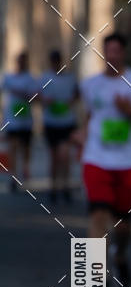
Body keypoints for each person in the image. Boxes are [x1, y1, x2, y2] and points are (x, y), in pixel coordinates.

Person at [77, 32, 131, 287]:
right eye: (108, 52)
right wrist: (81, 134)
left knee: (123, 223)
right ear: (103, 54)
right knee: (98, 213)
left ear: (123, 53)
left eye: (117, 51)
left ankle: (120, 254)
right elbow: (90, 114)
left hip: (129, 161)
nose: (112, 56)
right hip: (96, 157)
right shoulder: (90, 85)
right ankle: (97, 274)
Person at [39, 49, 78, 204]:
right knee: (54, 158)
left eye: (58, 61)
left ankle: (65, 186)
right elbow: (37, 95)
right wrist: (45, 100)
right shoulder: (45, 78)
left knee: (65, 155)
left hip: (67, 123)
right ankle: (54, 187)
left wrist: (71, 101)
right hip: (51, 123)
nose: (56, 64)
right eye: (53, 61)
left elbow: (77, 94)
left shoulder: (70, 78)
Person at [2, 51, 38, 187]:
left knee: (26, 148)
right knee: (13, 148)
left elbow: (35, 96)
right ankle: (14, 177)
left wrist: (23, 94)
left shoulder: (30, 78)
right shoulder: (8, 77)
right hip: (12, 121)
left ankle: (25, 167)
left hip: (26, 121)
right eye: (19, 61)